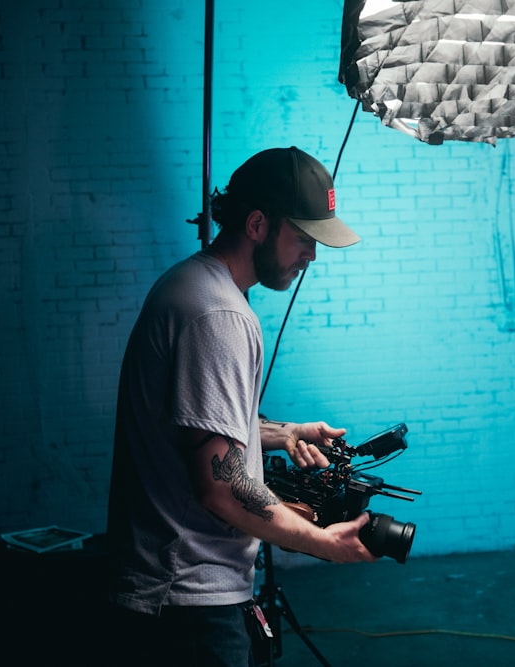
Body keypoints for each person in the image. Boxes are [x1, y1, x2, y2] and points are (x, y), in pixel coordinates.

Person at [106, 146, 379, 666]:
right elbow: (222, 486)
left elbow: (196, 421)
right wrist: (326, 543)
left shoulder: (193, 284)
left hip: (175, 596)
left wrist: (283, 433)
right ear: (257, 224)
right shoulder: (219, 316)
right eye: (303, 238)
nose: (312, 256)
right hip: (188, 604)